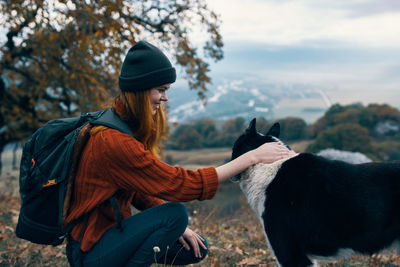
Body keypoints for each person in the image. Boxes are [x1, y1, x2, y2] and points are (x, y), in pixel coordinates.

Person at [64, 40, 296, 267]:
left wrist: (177, 229)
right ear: (141, 90)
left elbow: (137, 190)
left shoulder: (123, 126)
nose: (165, 98)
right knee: (174, 214)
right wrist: (251, 157)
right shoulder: (113, 141)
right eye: (161, 90)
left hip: (111, 235)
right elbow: (181, 185)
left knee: (195, 246)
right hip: (91, 251)